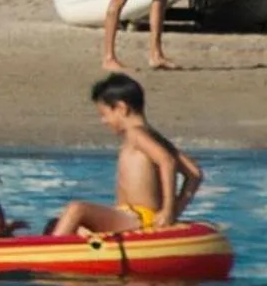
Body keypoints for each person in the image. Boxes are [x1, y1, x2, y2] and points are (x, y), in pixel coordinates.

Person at [51, 74, 204, 238]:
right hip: (131, 217)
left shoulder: (136, 135)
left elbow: (167, 161)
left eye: (104, 114)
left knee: (77, 209)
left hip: (135, 218)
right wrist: (174, 212)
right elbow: (194, 173)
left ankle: (47, 253)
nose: (103, 121)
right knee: (60, 222)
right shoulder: (153, 137)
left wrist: (167, 211)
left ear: (121, 108)